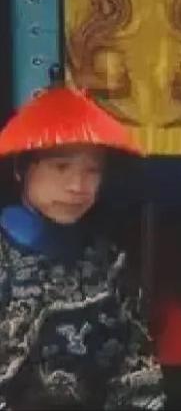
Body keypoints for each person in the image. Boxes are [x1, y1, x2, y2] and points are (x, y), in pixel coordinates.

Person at [0, 87, 164, 409]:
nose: (78, 186)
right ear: (22, 169)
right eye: (61, 167)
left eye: (92, 171)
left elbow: (136, 374)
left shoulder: (110, 262)